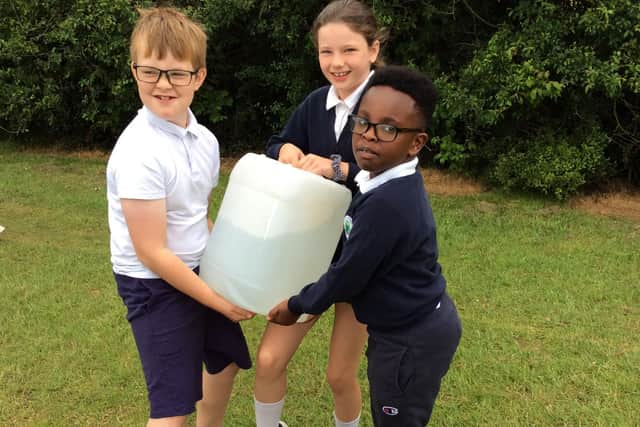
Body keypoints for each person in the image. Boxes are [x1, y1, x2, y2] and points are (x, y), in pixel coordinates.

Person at [268, 65, 462, 427]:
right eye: (362, 122)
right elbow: (356, 174)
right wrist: (335, 169)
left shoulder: (388, 204)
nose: (369, 136)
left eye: (388, 128)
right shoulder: (383, 178)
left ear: (416, 142)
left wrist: (296, 306)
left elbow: (347, 277)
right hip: (399, 328)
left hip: (412, 338)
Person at [106, 7, 254, 427]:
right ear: (134, 71)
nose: (163, 85)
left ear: (199, 77)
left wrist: (227, 271)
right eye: (151, 71)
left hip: (197, 268)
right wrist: (218, 301)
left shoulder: (204, 139)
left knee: (224, 361)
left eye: (177, 73)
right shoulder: (139, 153)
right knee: (172, 409)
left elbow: (198, 216)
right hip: (154, 284)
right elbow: (152, 252)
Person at [256, 1, 387, 426]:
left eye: (348, 50)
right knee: (270, 359)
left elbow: (399, 177)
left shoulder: (391, 106)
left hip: (361, 261)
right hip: (308, 255)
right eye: (325, 52)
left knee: (339, 375)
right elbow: (277, 143)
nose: (336, 63)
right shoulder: (316, 103)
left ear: (373, 49)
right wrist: (286, 151)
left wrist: (338, 169)